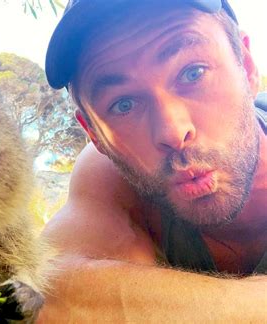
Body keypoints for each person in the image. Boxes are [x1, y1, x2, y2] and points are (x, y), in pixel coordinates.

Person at [39, 0, 267, 321]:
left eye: (193, 72)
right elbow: (44, 292)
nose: (173, 131)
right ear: (94, 133)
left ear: (247, 65)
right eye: (124, 104)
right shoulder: (109, 173)